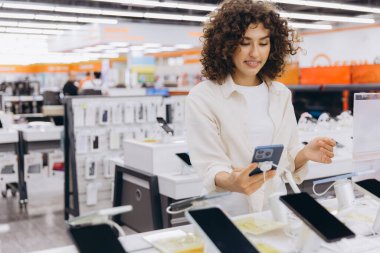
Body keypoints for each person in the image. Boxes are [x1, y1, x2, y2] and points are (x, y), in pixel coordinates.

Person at [185, 0, 336, 215]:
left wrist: (305, 153)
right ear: (226, 45)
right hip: (229, 211)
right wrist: (231, 180)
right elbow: (209, 165)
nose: (255, 53)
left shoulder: (280, 94)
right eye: (245, 42)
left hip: (276, 209)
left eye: (263, 43)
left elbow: (286, 157)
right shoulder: (203, 97)